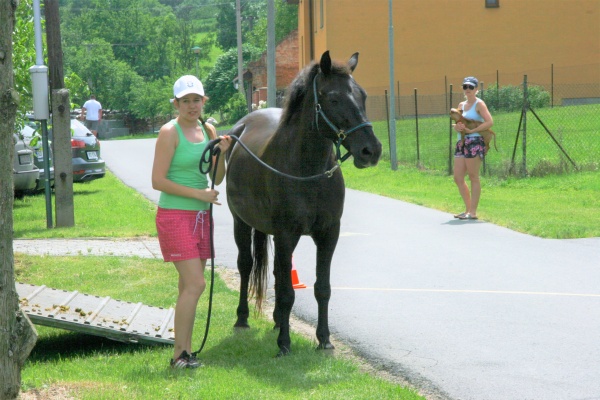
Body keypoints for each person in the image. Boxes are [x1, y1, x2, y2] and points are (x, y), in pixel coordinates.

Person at [151, 75, 232, 369]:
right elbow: (157, 181)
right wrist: (199, 194)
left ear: (203, 101)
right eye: (185, 101)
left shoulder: (207, 129)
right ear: (176, 104)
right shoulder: (169, 132)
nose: (191, 106)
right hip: (175, 216)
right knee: (196, 284)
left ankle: (185, 351)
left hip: (201, 217)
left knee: (188, 286)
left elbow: (216, 178)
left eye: (196, 100)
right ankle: (178, 356)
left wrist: (221, 154)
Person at [452, 76, 493, 220]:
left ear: (476, 89)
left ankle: (473, 212)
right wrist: (456, 127)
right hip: (461, 142)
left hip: (474, 142)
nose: (467, 89)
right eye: (465, 87)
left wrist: (473, 131)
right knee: (458, 177)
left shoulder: (479, 104)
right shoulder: (461, 105)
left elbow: (489, 122)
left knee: (473, 176)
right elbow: (459, 122)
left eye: (471, 87)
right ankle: (467, 209)